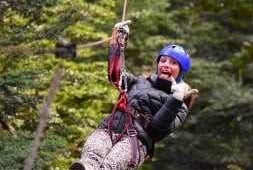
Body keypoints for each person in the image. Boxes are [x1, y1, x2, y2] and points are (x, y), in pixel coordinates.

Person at [69, 22, 198, 170]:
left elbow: (157, 128)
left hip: (135, 141)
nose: (166, 65)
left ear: (181, 72)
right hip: (109, 129)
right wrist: (118, 43)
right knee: (93, 151)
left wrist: (175, 99)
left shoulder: (180, 106)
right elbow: (116, 76)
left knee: (112, 164)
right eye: (163, 61)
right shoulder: (139, 81)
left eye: (173, 63)